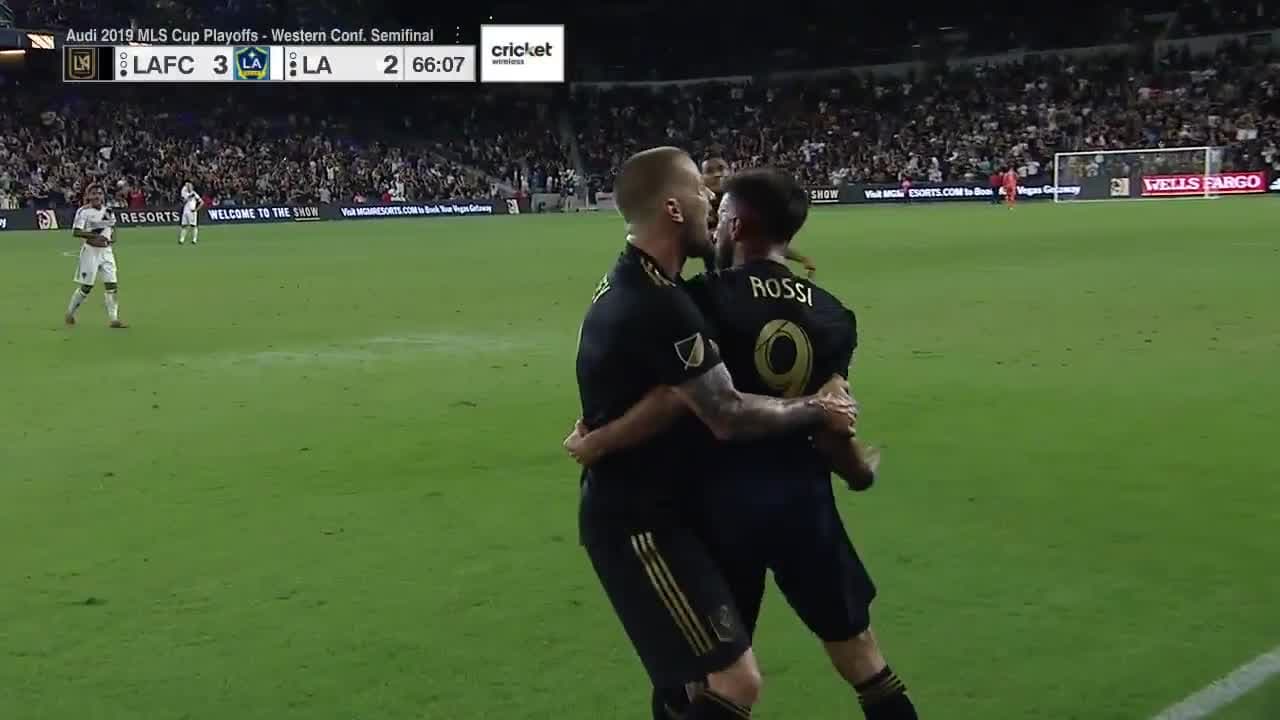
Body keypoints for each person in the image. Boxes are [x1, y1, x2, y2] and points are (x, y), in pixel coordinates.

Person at [568, 168, 919, 720]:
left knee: (712, 675)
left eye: (721, 211)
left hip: (717, 507)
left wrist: (600, 442)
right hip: (804, 505)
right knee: (863, 657)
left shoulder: (700, 298)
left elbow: (677, 399)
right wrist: (858, 473)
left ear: (734, 224)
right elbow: (833, 423)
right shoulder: (832, 314)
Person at [703, 157, 816, 278]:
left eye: (721, 169)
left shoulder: (744, 203)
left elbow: (766, 243)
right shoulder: (701, 207)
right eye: (709, 171)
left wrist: (802, 259)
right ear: (701, 177)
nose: (717, 174)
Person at [65, 184, 126, 328]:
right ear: (88, 196)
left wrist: (113, 238)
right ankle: (70, 313)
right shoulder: (83, 212)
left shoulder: (108, 211)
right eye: (93, 193)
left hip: (107, 252)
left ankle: (114, 319)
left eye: (99, 193)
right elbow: (76, 232)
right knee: (86, 287)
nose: (97, 196)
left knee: (112, 285)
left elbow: (112, 226)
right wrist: (95, 236)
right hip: (91, 252)